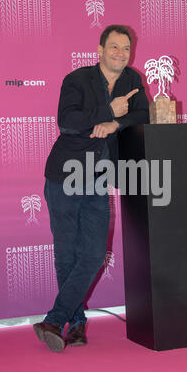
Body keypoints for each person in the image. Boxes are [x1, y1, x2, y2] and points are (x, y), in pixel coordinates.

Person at [33, 24, 149, 352]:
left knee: (95, 253)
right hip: (65, 174)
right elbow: (67, 121)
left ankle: (54, 319)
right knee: (67, 253)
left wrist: (116, 123)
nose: (120, 54)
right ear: (99, 50)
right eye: (114, 47)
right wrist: (107, 110)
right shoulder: (77, 79)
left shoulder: (132, 80)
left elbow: (144, 114)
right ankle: (78, 324)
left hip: (99, 176)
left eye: (125, 49)